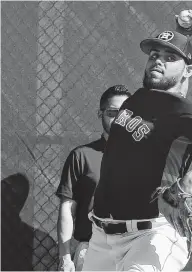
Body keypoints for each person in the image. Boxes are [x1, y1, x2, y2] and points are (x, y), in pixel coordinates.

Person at [83, 10, 192, 272]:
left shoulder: (183, 110)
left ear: (188, 70)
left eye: (169, 58)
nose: (158, 61)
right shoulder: (137, 98)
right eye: (154, 56)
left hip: (152, 235)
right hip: (101, 238)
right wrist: (182, 36)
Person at [56, 85, 131, 272]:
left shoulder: (146, 158)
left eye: (126, 113)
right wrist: (65, 258)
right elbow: (67, 210)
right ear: (101, 114)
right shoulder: (81, 156)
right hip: (92, 250)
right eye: (113, 112)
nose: (120, 119)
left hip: (134, 250)